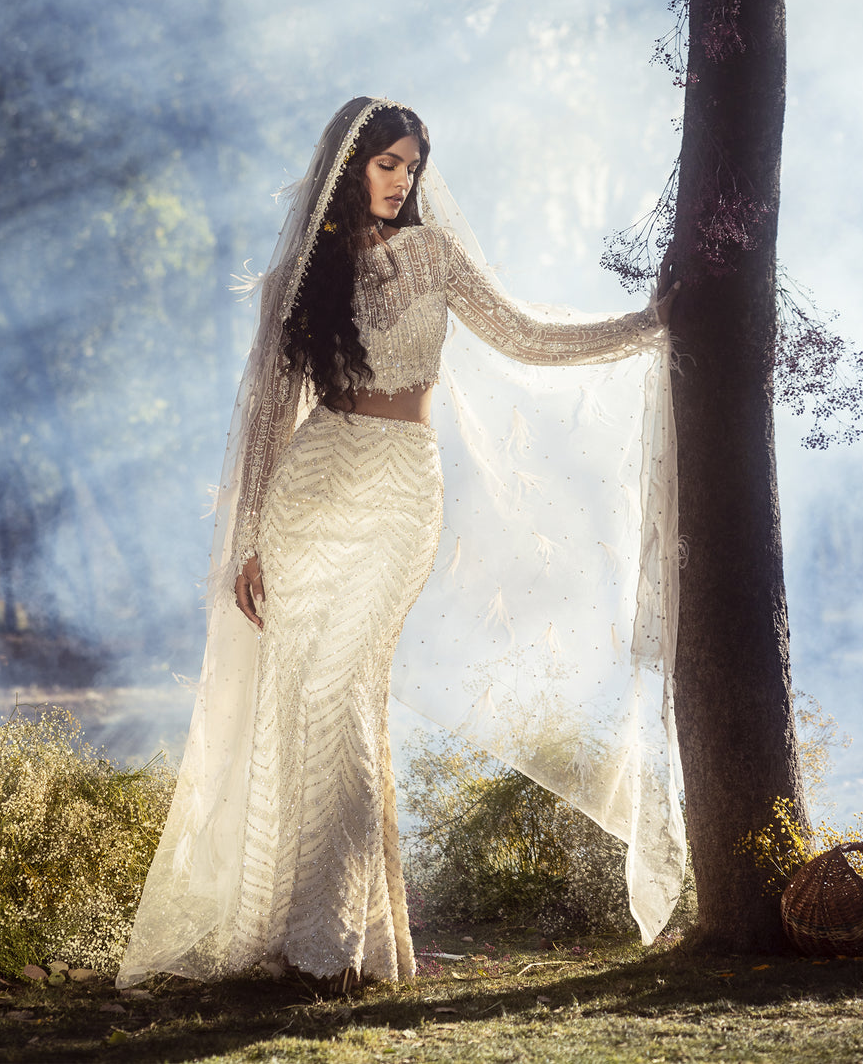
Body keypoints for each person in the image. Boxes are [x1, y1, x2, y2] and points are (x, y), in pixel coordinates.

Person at [118, 97, 682, 993]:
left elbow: (526, 336)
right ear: (351, 167)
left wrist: (643, 326)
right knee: (306, 696)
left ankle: (330, 945)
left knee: (344, 688)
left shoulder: (432, 254)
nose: (403, 180)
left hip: (401, 490)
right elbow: (269, 416)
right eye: (389, 164)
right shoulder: (304, 276)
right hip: (312, 490)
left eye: (412, 166)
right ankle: (300, 935)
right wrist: (252, 541)